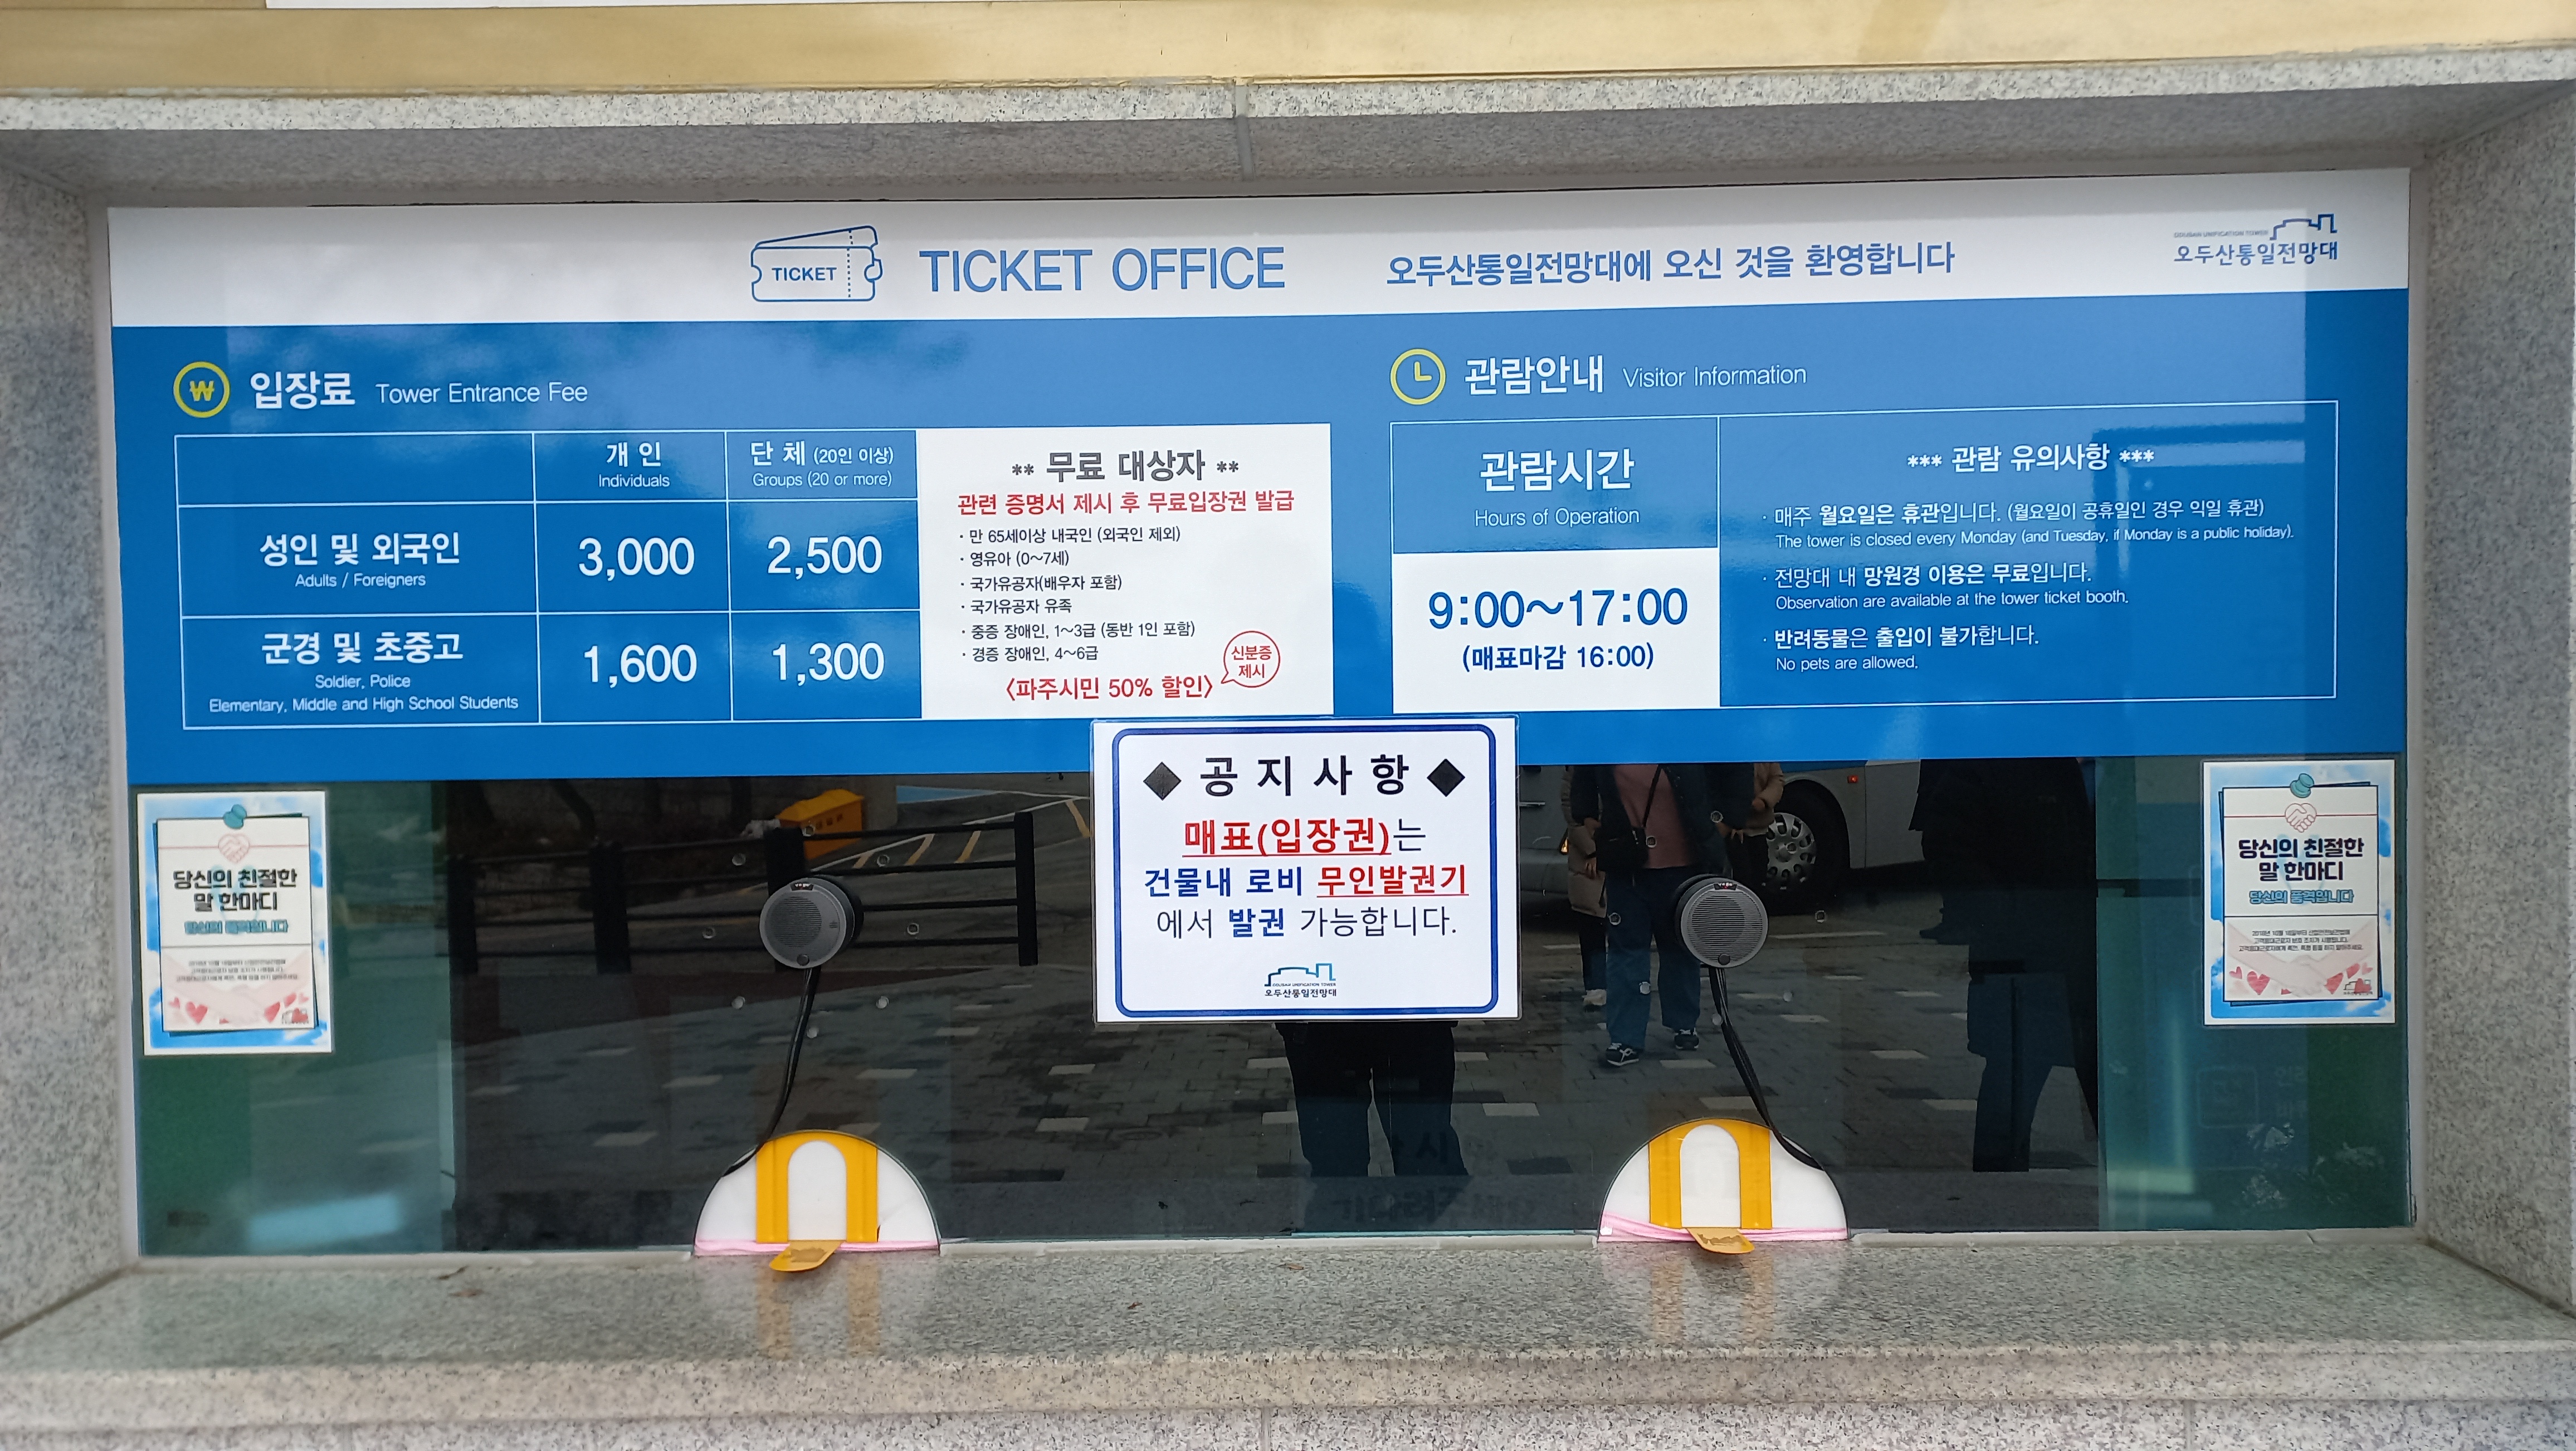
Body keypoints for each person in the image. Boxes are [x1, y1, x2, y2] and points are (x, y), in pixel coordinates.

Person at [1569, 763, 1729, 1067]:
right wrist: (1588, 817)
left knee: (1679, 946)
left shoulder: (1684, 745)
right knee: (1626, 951)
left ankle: (1684, 1022)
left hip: (1684, 866)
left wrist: (1726, 821)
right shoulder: (1611, 746)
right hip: (1628, 865)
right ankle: (1625, 1038)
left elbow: (1733, 771)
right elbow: (1583, 777)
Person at [1560, 768, 1608, 1008]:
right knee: (1591, 923)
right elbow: (1572, 814)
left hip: (1623, 851)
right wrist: (1593, 851)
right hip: (1587, 859)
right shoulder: (1578, 768)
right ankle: (1596, 986)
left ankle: (1618, 985)